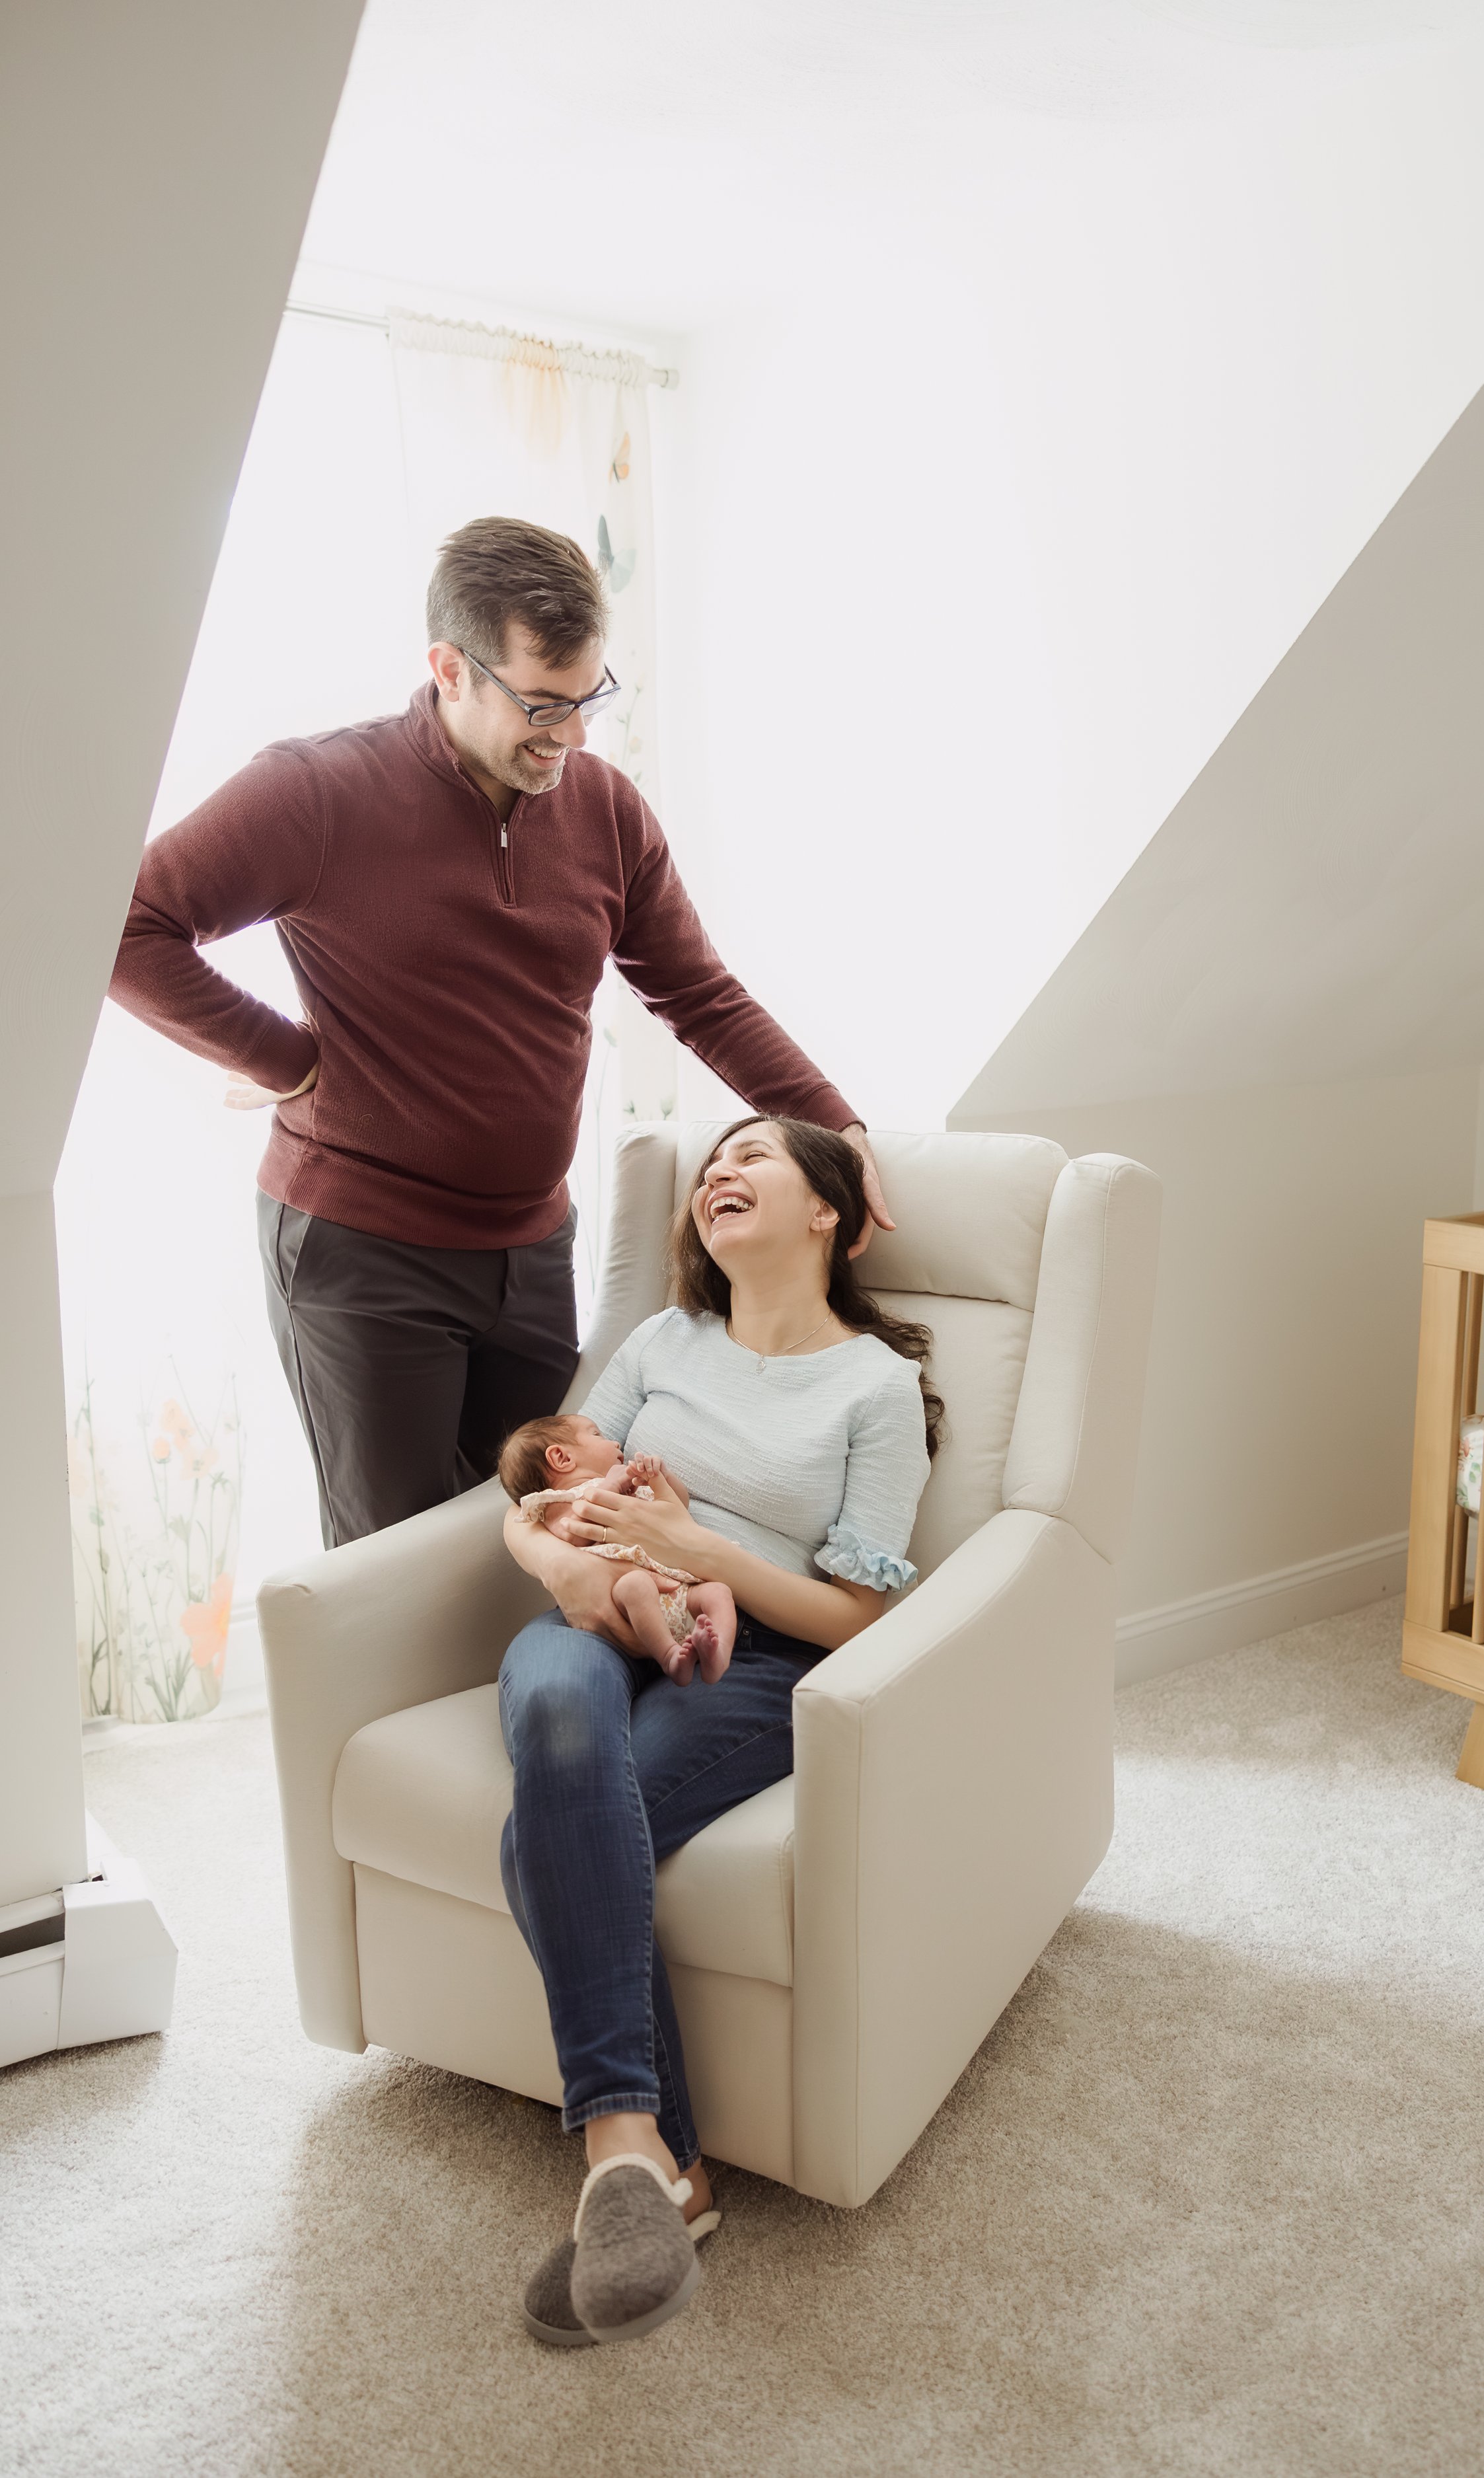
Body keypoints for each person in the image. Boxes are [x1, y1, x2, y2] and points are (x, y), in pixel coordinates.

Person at [107, 517, 891, 1547]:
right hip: (363, 1254)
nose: (571, 738)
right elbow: (128, 927)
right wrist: (287, 1058)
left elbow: (699, 992)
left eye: (589, 700)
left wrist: (841, 1132)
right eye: (543, 705)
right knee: (390, 1566)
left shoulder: (606, 810)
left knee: (536, 1541)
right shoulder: (316, 790)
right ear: (450, 669)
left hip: (530, 1250)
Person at [498, 1115, 943, 2348]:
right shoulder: (662, 1339)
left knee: (566, 1816)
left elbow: (860, 1613)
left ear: (831, 1213)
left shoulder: (876, 1387)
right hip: (592, 1607)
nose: (719, 1174)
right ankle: (653, 2163)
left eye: (755, 1156)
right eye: (710, 1165)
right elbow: (540, 1496)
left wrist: (701, 1554)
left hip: (758, 1649)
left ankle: (638, 2164)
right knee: (555, 1720)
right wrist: (561, 1572)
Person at [498, 1413, 737, 1683]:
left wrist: (662, 1478)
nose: (615, 1443)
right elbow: (572, 1534)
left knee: (719, 1593)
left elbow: (678, 1507)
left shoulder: (632, 1483)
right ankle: (670, 1656)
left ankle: (718, 1655)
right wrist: (609, 1487)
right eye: (598, 1434)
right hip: (629, 1601)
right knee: (636, 1585)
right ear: (562, 1458)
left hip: (681, 1591)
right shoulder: (558, 1501)